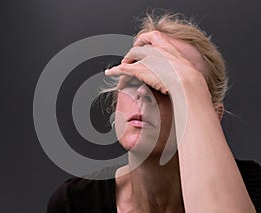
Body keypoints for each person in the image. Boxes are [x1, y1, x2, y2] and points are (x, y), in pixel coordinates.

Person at [47, 12, 261, 213]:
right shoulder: (75, 203)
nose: (142, 92)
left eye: (167, 83)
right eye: (134, 78)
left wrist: (189, 86)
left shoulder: (250, 189)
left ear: (212, 116)